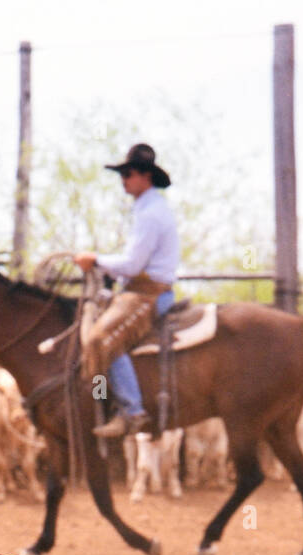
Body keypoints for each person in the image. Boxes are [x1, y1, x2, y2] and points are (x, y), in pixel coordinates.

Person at [74, 142, 180, 437]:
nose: (123, 179)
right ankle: (103, 401)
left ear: (145, 176)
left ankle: (132, 411)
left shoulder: (150, 215)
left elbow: (132, 265)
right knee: (94, 332)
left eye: (128, 173)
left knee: (99, 340)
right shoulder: (148, 209)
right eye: (121, 173)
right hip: (138, 290)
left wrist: (95, 260)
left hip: (148, 293)